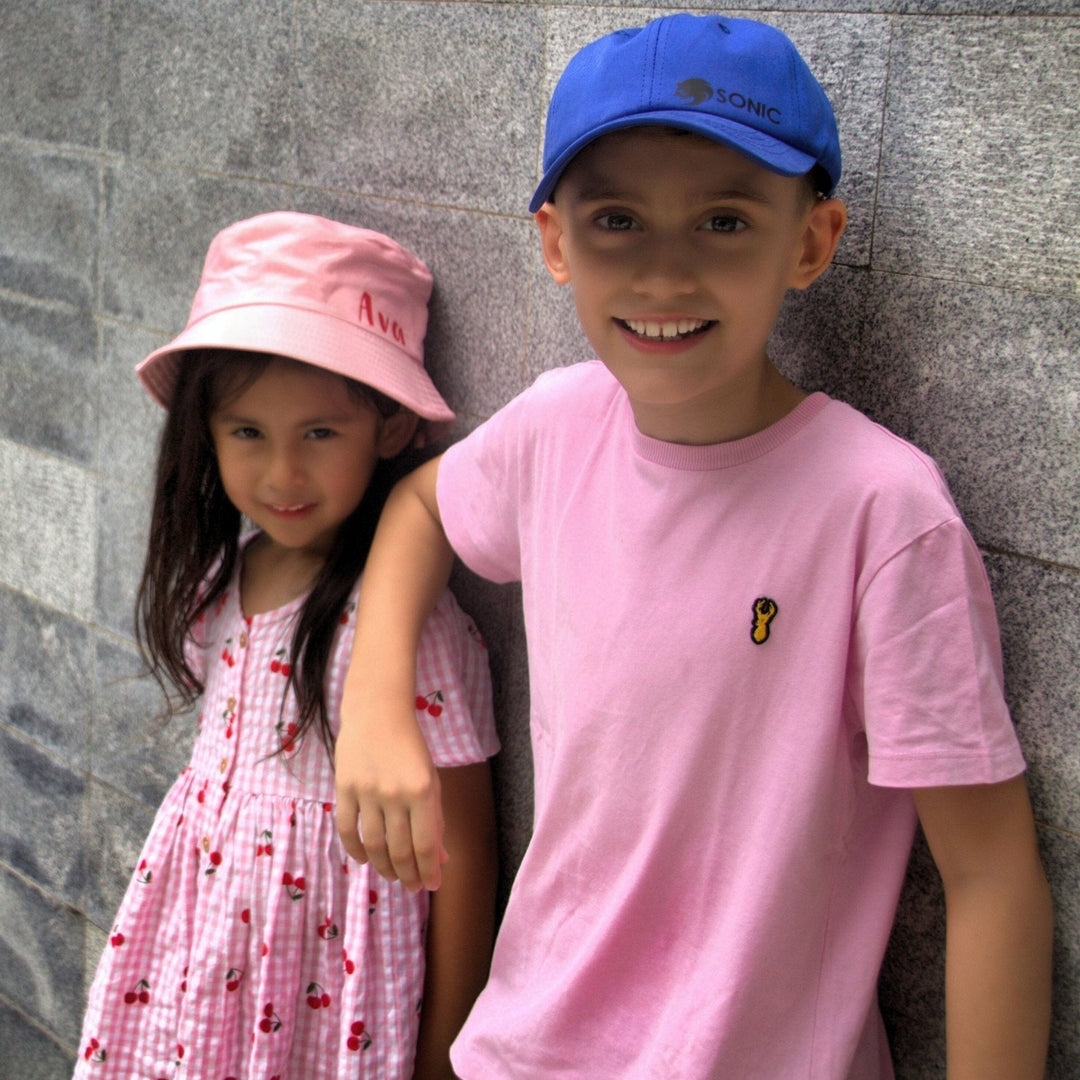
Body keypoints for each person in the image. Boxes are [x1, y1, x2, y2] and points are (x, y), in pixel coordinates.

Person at [335, 15, 1053, 1080]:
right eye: (618, 218)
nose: (665, 275)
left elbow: (992, 876)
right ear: (555, 243)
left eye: (723, 221)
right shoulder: (554, 428)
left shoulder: (880, 512)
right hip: (524, 1050)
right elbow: (422, 510)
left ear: (810, 241)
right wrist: (373, 704)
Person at [74, 212, 499, 1080]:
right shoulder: (218, 582)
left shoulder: (408, 631)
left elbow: (466, 857)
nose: (280, 475)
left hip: (320, 990)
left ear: (387, 430)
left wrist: (447, 1059)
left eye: (319, 433)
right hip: (197, 968)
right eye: (248, 433)